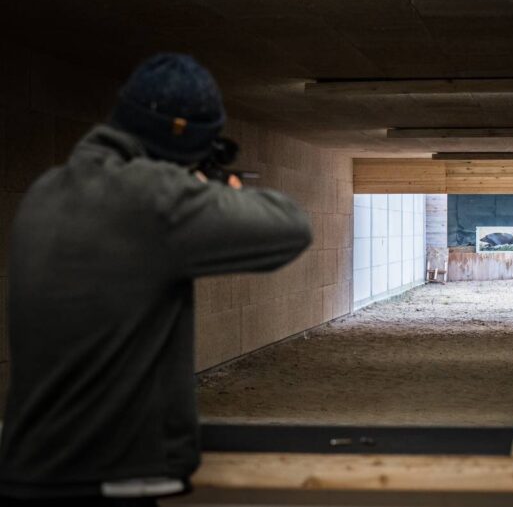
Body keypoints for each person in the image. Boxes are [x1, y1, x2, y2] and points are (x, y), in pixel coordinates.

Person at [0, 54, 312, 505]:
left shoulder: (45, 189)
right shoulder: (151, 195)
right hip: (109, 470)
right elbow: (291, 227)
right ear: (181, 142)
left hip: (30, 464)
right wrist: (213, 188)